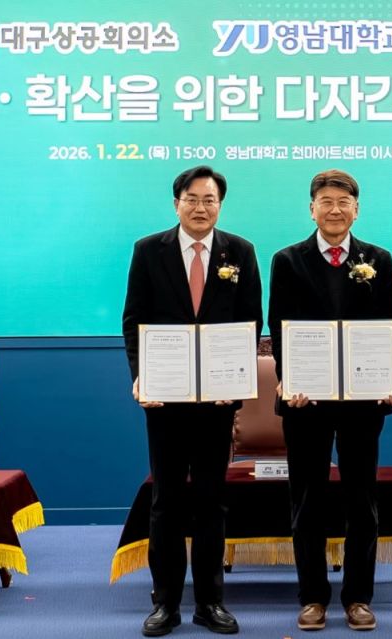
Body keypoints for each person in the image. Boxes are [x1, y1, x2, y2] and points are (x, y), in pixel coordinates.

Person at [122, 165, 263, 636]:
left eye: (210, 200)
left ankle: (210, 601)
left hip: (218, 402)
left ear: (220, 205)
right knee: (165, 501)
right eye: (192, 199)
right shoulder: (149, 250)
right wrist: (141, 377)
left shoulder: (239, 251)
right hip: (165, 399)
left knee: (211, 501)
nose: (201, 208)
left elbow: (250, 321)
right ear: (176, 203)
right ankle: (165, 603)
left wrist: (237, 380)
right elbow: (134, 319)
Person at [267, 169, 392, 632]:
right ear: (312, 209)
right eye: (325, 202)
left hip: (362, 401)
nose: (334, 210)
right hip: (306, 402)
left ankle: (358, 597)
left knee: (361, 500)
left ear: (356, 210)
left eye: (343, 203)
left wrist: (391, 375)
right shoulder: (288, 260)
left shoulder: (378, 259)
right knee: (307, 501)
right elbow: (280, 327)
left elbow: (390, 323)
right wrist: (288, 379)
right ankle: (312, 597)